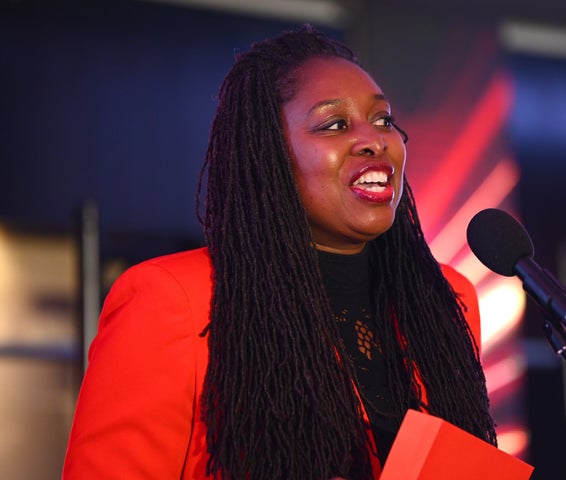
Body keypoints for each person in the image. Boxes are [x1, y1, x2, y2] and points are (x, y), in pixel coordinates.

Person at [62, 24, 496, 479]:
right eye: (334, 124)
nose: (375, 139)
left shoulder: (446, 299)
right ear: (268, 154)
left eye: (384, 119)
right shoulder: (171, 300)